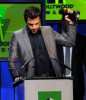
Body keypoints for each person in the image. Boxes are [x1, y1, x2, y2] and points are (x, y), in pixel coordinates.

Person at [8, 6, 77, 82]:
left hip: (53, 78)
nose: (34, 27)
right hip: (30, 80)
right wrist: (17, 76)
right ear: (25, 21)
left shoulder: (48, 31)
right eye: (31, 24)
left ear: (40, 20)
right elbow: (12, 60)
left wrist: (71, 24)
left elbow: (69, 42)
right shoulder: (17, 35)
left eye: (37, 23)